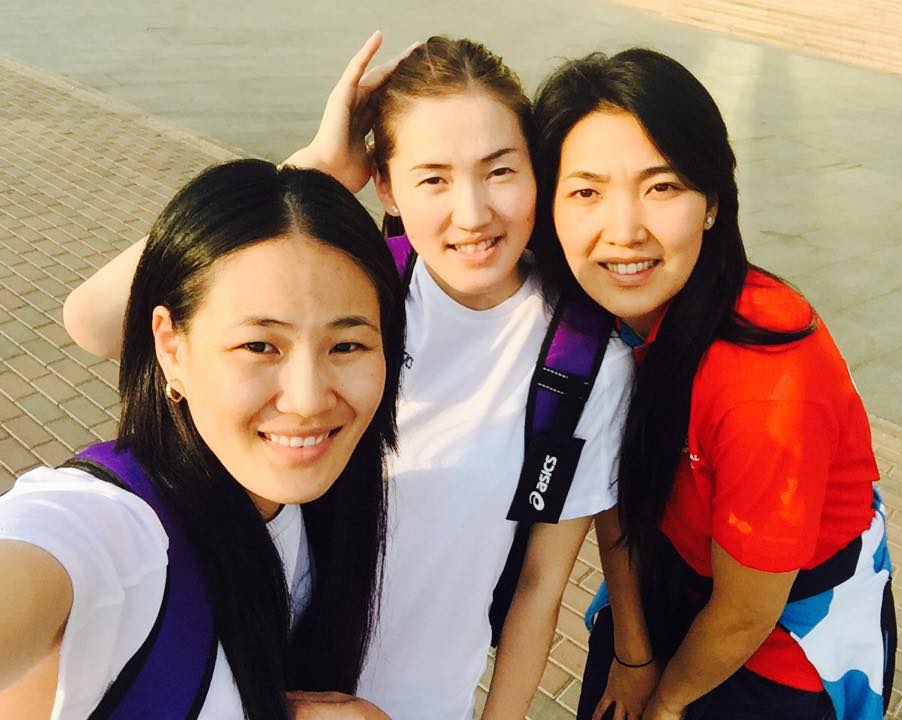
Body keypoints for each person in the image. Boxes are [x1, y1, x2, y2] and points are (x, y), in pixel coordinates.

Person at [61, 34, 634, 720]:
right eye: (433, 178)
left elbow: (540, 585)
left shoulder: (583, 361)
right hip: (245, 688)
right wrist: (316, 168)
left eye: (500, 171)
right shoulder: (342, 291)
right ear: (385, 185)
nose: (473, 212)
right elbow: (95, 323)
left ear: (536, 172)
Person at [530, 49, 898, 720]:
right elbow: (617, 494)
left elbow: (746, 611)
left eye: (662, 186)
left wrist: (667, 703)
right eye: (586, 191)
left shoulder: (766, 385)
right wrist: (633, 654)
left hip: (778, 630)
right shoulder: (590, 318)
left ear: (711, 204)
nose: (624, 231)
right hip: (665, 571)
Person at [1, 160, 405, 720]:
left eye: (347, 346)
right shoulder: (114, 530)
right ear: (171, 348)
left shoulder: (321, 506)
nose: (309, 399)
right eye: (259, 346)